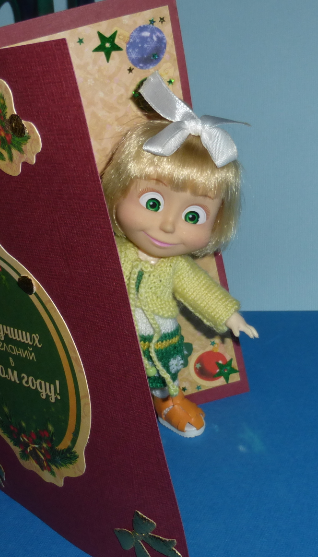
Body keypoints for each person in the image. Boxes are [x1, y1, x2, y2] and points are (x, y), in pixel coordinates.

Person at [101, 72, 258, 438]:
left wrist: (230, 316)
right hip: (113, 342)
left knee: (162, 377)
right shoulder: (113, 253)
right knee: (111, 378)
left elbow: (200, 290)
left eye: (193, 216)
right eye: (153, 203)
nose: (168, 225)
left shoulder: (176, 267)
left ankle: (168, 402)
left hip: (160, 342)